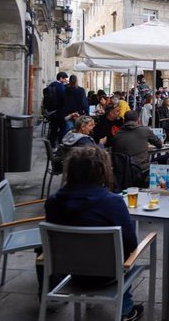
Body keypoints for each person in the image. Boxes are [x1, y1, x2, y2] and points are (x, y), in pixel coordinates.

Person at [44, 146, 144, 321]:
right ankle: (126, 310)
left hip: (68, 273)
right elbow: (131, 246)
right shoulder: (112, 202)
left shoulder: (53, 202)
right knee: (125, 257)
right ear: (102, 170)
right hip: (106, 275)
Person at [45, 71, 68, 146]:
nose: (65, 81)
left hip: (51, 111)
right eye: (64, 79)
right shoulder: (60, 86)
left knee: (53, 129)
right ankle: (61, 144)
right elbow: (64, 98)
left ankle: (52, 145)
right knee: (63, 127)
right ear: (61, 78)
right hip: (59, 111)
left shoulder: (50, 85)